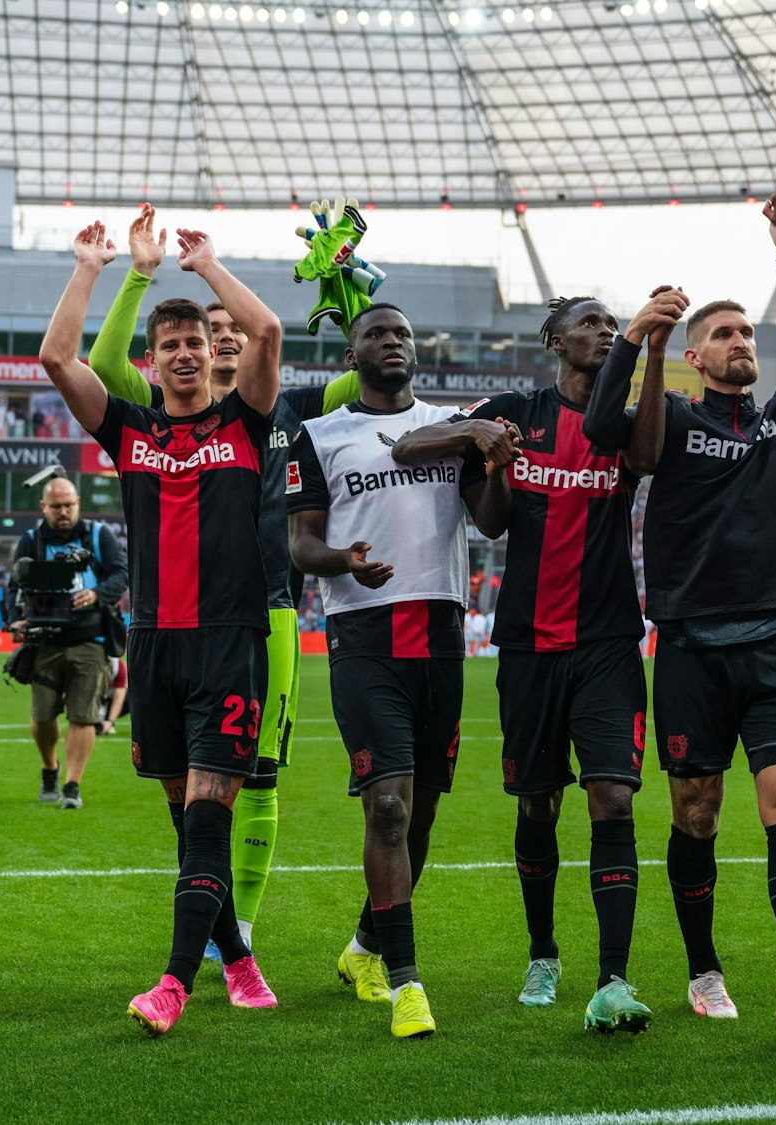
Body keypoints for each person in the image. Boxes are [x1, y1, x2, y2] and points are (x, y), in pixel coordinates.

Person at [583, 187, 776, 1035]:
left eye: (746, 333)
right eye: (726, 334)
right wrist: (638, 339)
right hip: (692, 649)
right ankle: (703, 968)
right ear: (697, 357)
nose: (742, 342)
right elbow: (602, 428)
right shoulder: (668, 421)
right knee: (697, 811)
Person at [85, 204, 361, 951]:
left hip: (271, 609)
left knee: (260, 775)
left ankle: (237, 926)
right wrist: (139, 275)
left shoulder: (290, 406)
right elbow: (102, 367)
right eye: (209, 328)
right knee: (192, 787)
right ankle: (216, 924)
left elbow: (367, 371)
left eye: (226, 328)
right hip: (183, 618)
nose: (224, 335)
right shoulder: (159, 409)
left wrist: (347, 291)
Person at [40, 219, 282, 1036]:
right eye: (169, 345)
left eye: (194, 343)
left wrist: (206, 265)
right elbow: (57, 358)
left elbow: (268, 330)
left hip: (229, 644)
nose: (183, 353)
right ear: (150, 362)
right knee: (187, 820)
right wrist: (91, 269)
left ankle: (174, 983)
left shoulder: (245, 421)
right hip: (154, 648)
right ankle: (239, 960)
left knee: (208, 817)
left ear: (213, 354)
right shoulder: (132, 432)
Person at [389, 293, 653, 1032]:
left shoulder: (624, 424)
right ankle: (543, 952)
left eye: (613, 325)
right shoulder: (513, 412)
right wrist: (481, 440)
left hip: (607, 644)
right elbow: (421, 458)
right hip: (530, 645)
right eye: (591, 324)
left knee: (614, 798)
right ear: (556, 341)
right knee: (538, 804)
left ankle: (614, 977)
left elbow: (651, 458)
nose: (605, 332)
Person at [287, 303, 506, 1039]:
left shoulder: (452, 426)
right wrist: (342, 560)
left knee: (423, 814)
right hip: (364, 633)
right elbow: (301, 545)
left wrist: (495, 464)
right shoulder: (319, 435)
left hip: (440, 633)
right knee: (387, 807)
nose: (392, 342)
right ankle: (408, 982)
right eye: (376, 334)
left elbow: (492, 520)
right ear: (352, 355)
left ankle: (363, 948)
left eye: (403, 334)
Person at [3, 476, 127, 808]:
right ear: (43, 507)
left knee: (83, 715)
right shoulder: (31, 541)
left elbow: (121, 574)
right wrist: (14, 619)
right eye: (56, 506)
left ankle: (72, 785)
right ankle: (50, 768)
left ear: (78, 503)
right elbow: (13, 586)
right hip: (45, 640)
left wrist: (96, 594)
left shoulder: (99, 535)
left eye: (69, 505)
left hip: (90, 638)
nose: (63, 511)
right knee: (42, 716)